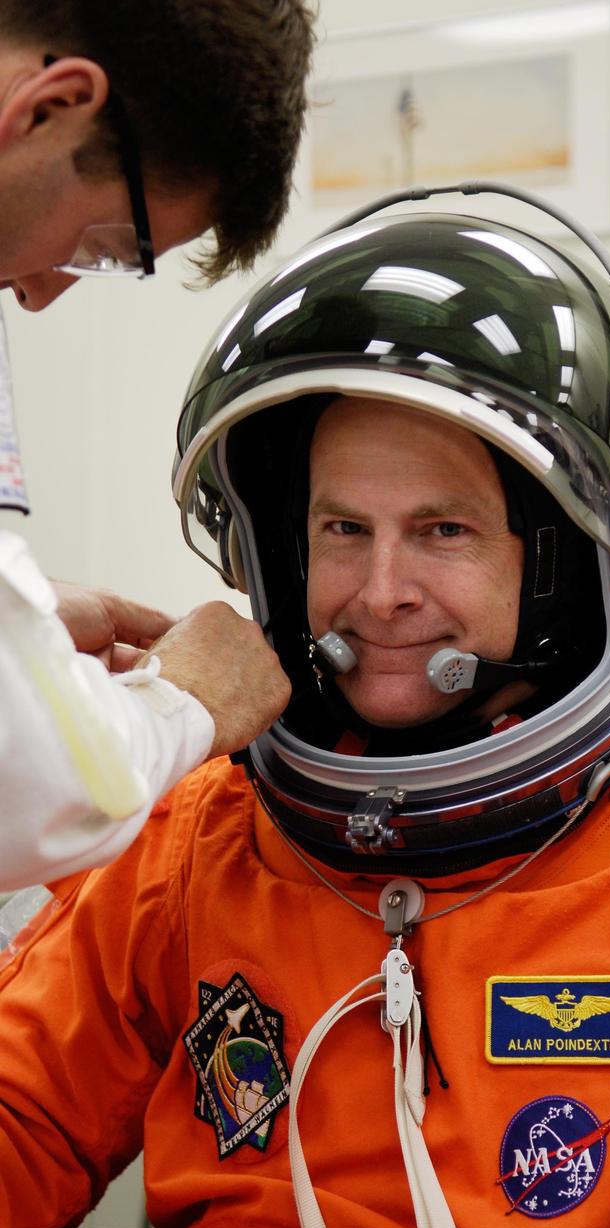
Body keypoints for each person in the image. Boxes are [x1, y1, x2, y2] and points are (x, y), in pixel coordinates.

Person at [0, 192, 610, 1228]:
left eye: (441, 530)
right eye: (342, 530)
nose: (381, 592)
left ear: (553, 558)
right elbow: (18, 1110)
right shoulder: (200, 832)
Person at [0, 0, 313, 883]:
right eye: (102, 246)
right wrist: (180, 706)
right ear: (51, 104)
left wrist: (21, 625)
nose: (43, 296)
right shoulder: (180, 851)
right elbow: (34, 789)